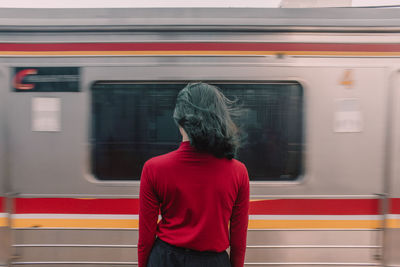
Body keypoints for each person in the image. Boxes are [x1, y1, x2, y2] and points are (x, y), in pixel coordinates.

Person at [138, 82, 249, 267]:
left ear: (180, 120)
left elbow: (146, 238)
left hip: (165, 260)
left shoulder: (153, 168)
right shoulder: (238, 172)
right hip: (214, 262)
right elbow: (238, 243)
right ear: (219, 118)